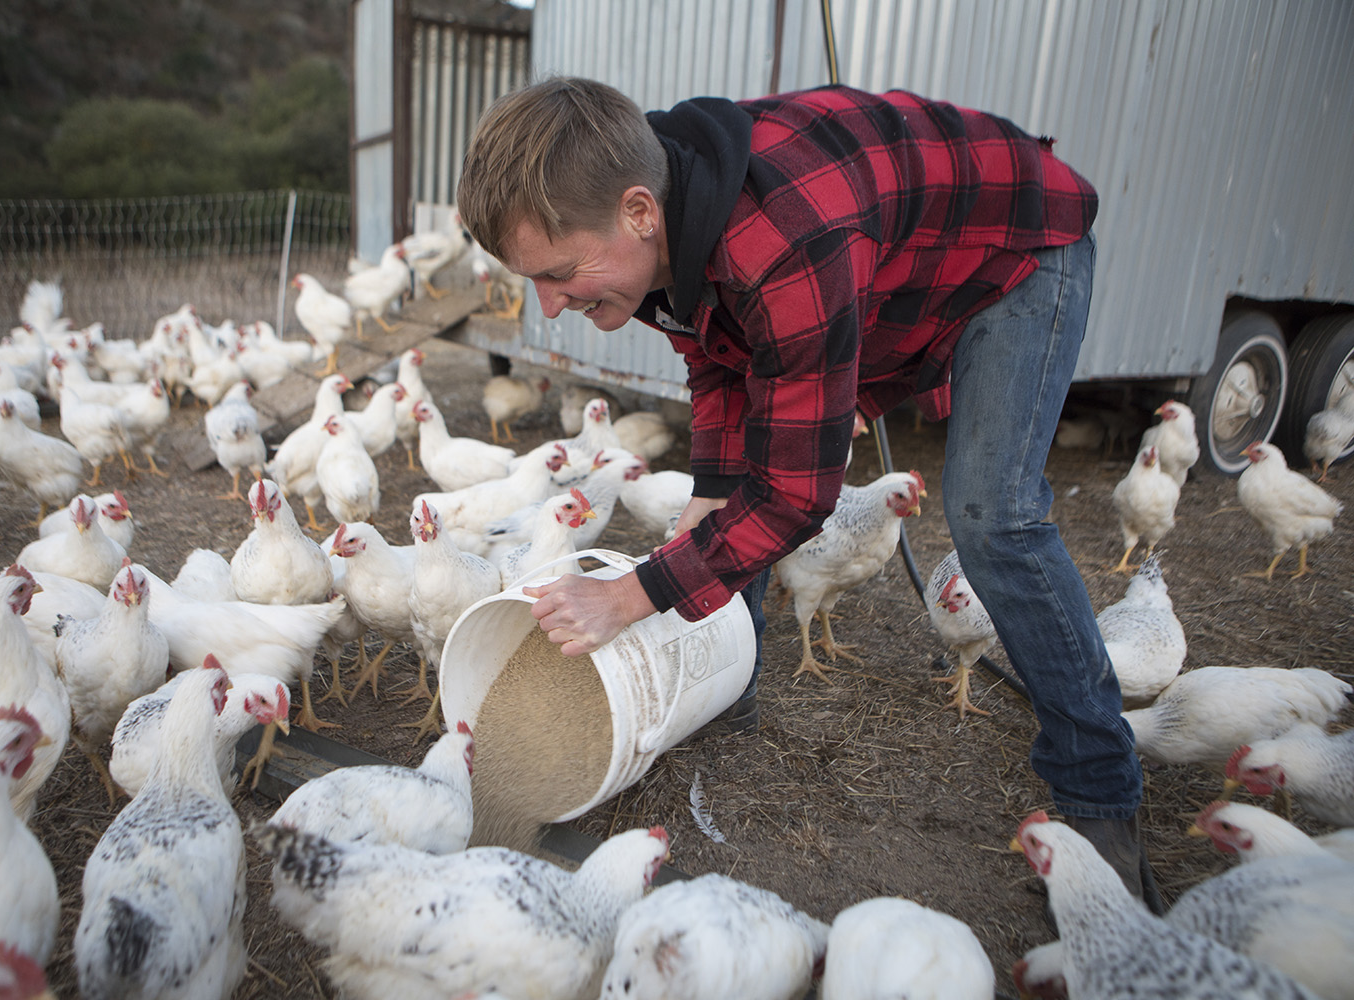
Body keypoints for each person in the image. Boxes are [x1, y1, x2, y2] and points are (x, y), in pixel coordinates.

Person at [455, 77, 1158, 908]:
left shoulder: (782, 241)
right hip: (887, 262)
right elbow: (719, 364)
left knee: (991, 514)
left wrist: (637, 594)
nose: (550, 306)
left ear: (641, 213)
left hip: (1013, 247)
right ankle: (726, 687)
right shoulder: (644, 235)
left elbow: (795, 497)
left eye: (560, 274)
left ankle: (1099, 797)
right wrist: (707, 502)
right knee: (728, 500)